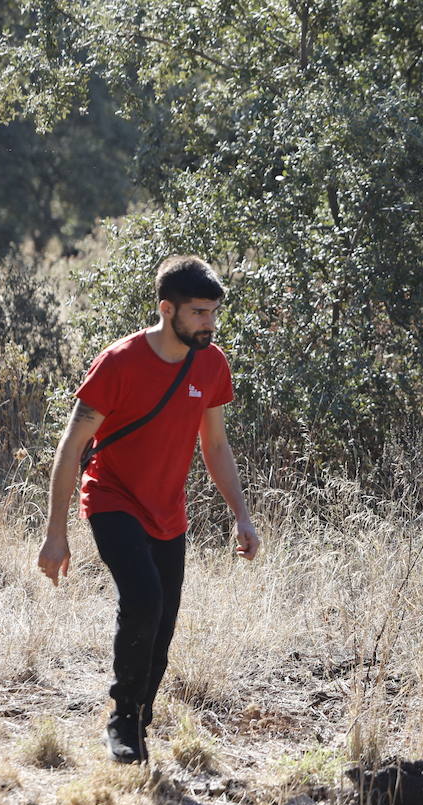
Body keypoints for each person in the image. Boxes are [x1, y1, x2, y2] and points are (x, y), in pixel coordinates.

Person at [37, 255, 261, 763]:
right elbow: (72, 447)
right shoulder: (118, 362)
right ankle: (121, 717)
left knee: (163, 622)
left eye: (214, 313)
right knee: (143, 598)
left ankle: (139, 718)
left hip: (168, 510)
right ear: (168, 309)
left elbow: (217, 446)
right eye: (200, 313)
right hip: (111, 497)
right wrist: (56, 533)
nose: (210, 323)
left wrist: (241, 515)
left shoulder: (211, 362)